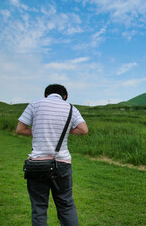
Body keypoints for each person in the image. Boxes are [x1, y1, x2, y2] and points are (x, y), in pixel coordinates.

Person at [16, 84, 88, 226]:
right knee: (66, 205)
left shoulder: (35, 104)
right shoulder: (71, 108)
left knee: (39, 207)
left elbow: (20, 129)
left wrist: (37, 131)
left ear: (46, 95)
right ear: (64, 96)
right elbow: (83, 129)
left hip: (37, 164)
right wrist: (67, 130)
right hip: (62, 163)